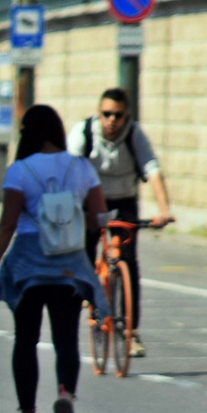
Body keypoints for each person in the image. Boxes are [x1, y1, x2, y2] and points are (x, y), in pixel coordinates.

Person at [0, 104, 109, 413]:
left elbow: (8, 223)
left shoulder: (20, 170)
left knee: (26, 339)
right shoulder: (82, 167)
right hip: (69, 262)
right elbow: (98, 217)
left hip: (28, 265)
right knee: (66, 337)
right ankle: (66, 394)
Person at [67, 87, 174, 357]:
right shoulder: (83, 134)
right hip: (90, 198)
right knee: (85, 250)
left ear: (127, 116)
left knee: (128, 261)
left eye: (118, 115)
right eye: (106, 114)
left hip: (123, 200)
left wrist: (164, 210)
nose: (112, 120)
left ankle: (130, 331)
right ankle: (87, 289)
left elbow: (152, 170)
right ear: (98, 113)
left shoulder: (134, 134)